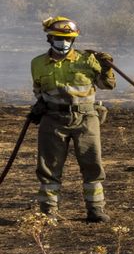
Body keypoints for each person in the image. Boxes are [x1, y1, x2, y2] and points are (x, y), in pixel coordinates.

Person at [29, 16, 115, 222]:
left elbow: (107, 86)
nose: (64, 42)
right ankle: (49, 211)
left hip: (86, 119)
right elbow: (38, 90)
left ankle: (95, 210)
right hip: (52, 119)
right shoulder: (38, 63)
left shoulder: (88, 60)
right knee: (49, 166)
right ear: (50, 38)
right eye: (59, 38)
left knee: (92, 164)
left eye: (68, 38)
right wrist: (40, 105)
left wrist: (106, 67)